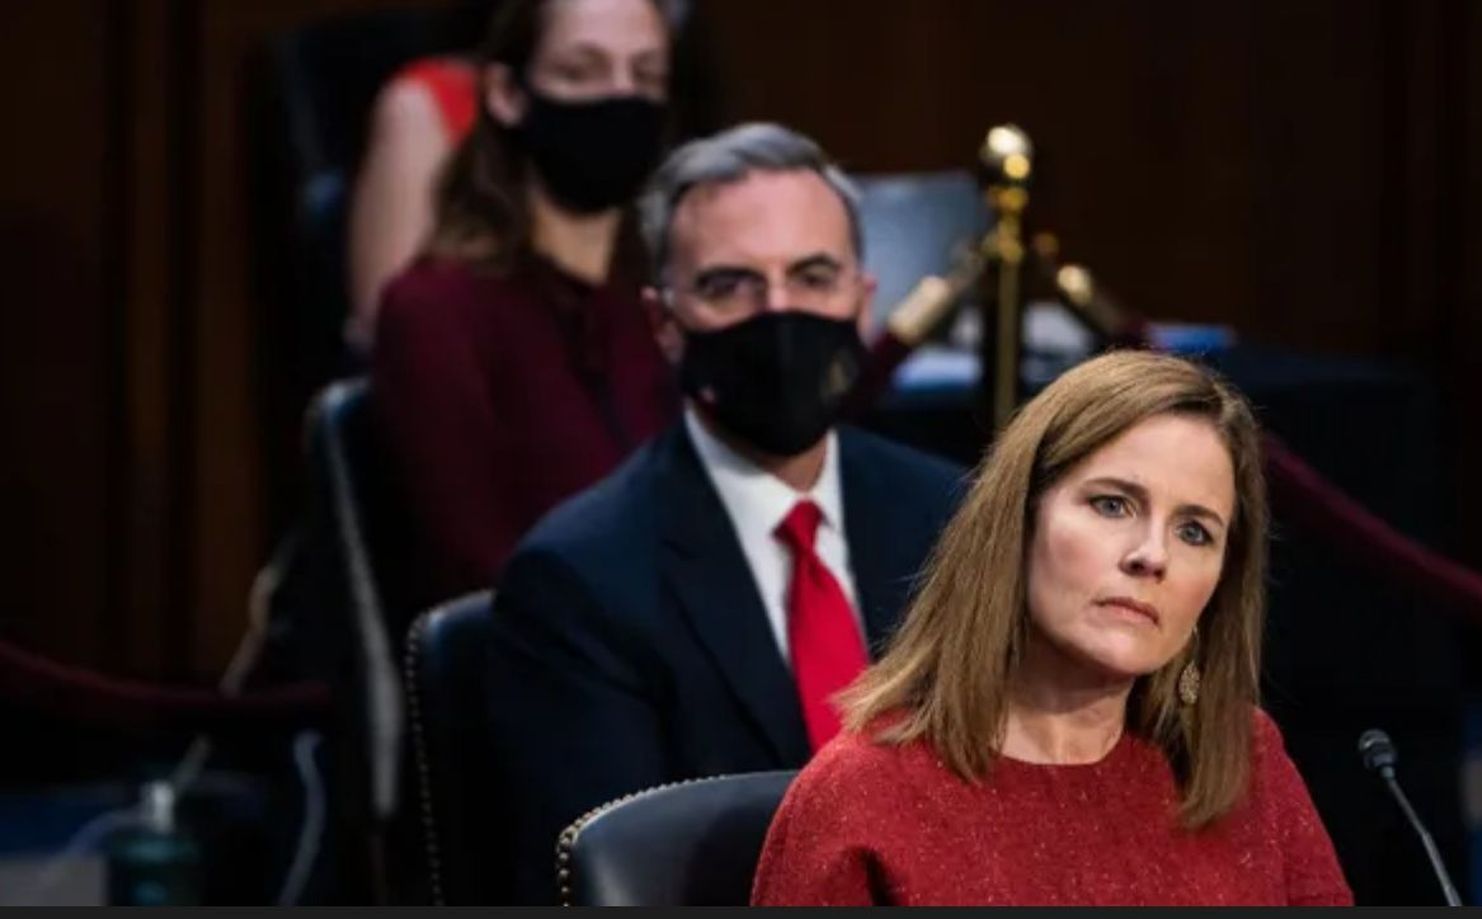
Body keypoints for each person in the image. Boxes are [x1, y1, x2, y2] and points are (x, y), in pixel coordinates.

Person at [483, 123, 967, 903]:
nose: (779, 314)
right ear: (665, 325)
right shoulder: (578, 581)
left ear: (862, 300)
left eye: (813, 276)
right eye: (729, 285)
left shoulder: (957, 520)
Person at [751, 350, 1353, 906]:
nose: (1152, 555)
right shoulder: (862, 796)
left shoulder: (1244, 761)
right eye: (1113, 504)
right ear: (1019, 521)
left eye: (1194, 531)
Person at [370, 0, 681, 612]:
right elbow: (476, 570)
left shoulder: (673, 296)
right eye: (581, 72)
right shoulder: (437, 311)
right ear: (508, 94)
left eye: (644, 76)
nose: (619, 98)